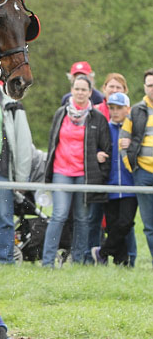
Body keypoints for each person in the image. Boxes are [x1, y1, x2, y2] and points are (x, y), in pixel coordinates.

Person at [42, 75, 111, 266]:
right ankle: (47, 261)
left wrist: (100, 163)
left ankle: (78, 260)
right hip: (61, 172)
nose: (80, 93)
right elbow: (52, 143)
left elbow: (106, 147)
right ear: (71, 90)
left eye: (84, 90)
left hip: (84, 174)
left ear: (90, 92)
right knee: (59, 215)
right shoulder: (61, 113)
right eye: (77, 89)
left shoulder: (97, 117)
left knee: (82, 218)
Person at [0, 82, 33, 264]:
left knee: (5, 218)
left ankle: (5, 259)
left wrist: (21, 179)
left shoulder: (11, 105)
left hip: (2, 168)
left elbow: (23, 142)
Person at [92, 92, 135, 265]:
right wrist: (97, 155)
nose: (115, 112)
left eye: (119, 108)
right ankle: (121, 262)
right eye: (112, 108)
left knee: (125, 223)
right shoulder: (105, 128)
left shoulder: (133, 130)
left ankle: (101, 251)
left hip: (130, 187)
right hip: (109, 185)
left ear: (128, 109)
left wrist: (132, 146)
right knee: (112, 225)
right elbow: (93, 147)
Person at [122, 68, 153, 268]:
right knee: (149, 225)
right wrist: (133, 168)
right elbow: (123, 141)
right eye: (150, 85)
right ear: (144, 87)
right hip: (143, 173)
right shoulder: (136, 110)